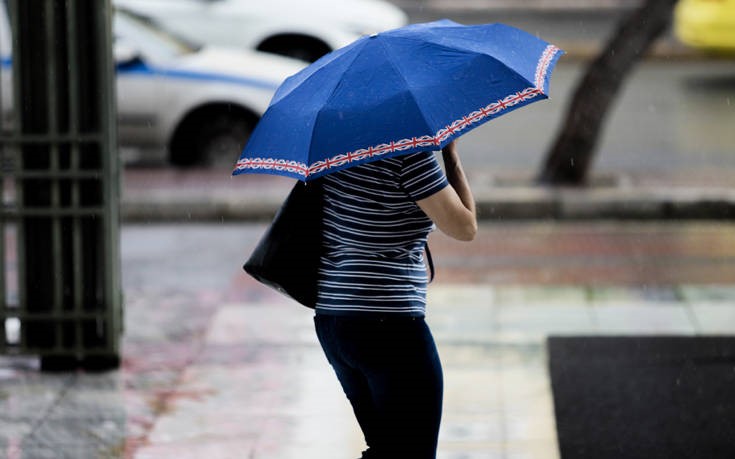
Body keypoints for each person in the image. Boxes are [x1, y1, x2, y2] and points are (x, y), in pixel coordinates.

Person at [313, 140, 477, 459]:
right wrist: (452, 156)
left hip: (334, 320)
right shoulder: (407, 155)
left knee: (387, 450)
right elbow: (464, 227)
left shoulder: (332, 153)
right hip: (388, 324)